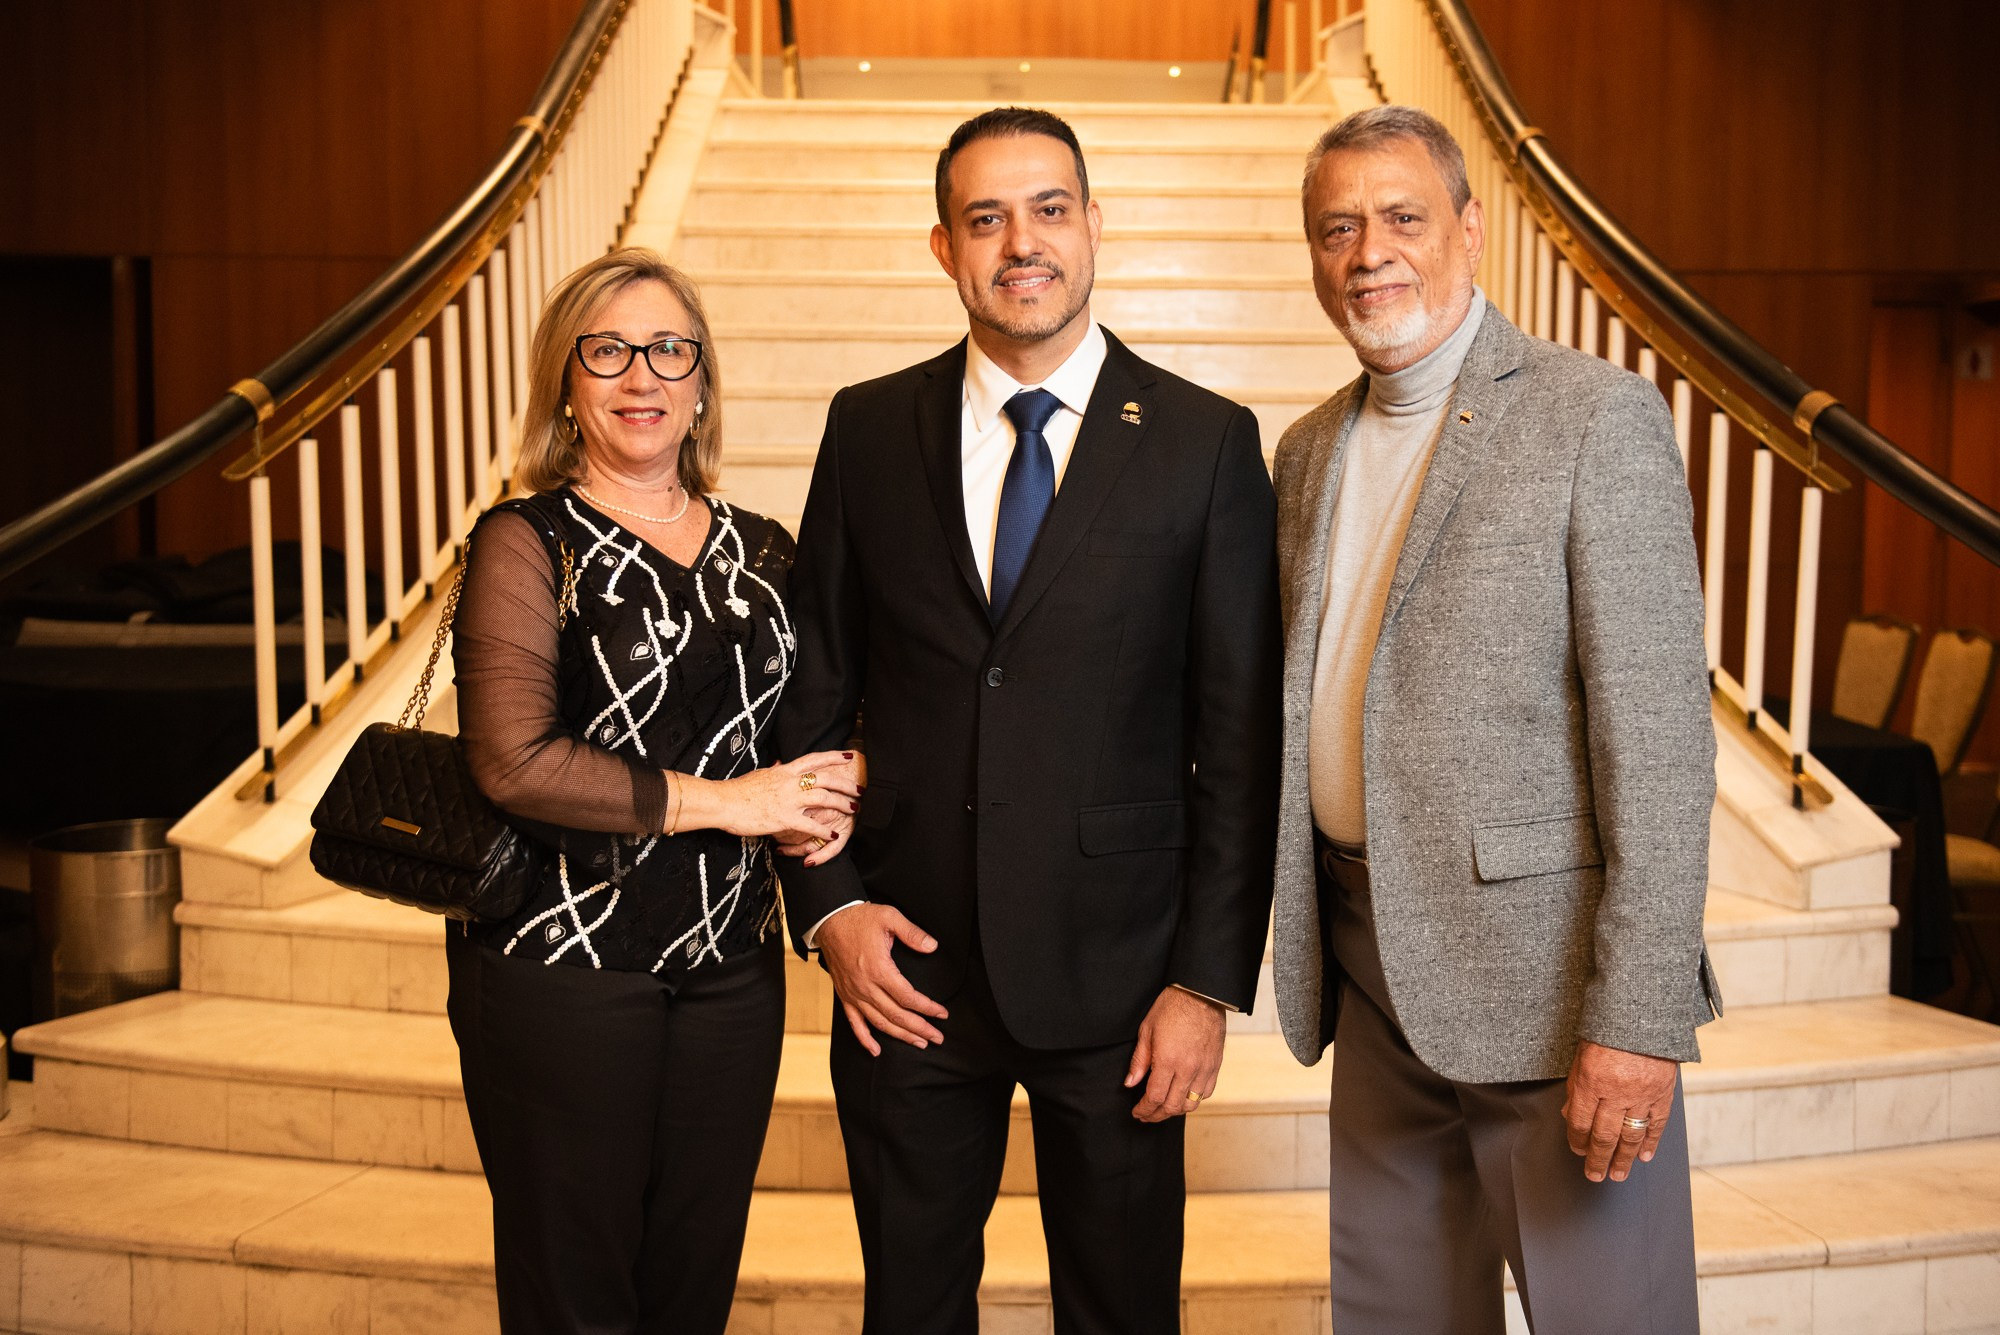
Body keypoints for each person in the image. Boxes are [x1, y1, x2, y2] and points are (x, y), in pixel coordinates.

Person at [776, 107, 1281, 1335]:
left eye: (1048, 209)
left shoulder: (1205, 444)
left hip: (1119, 980)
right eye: (985, 217)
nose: (1021, 243)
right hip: (905, 967)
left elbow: (1239, 743)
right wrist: (831, 908)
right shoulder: (864, 427)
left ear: (1093, 227)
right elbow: (810, 693)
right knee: (909, 1304)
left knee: (1119, 1309)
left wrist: (1204, 985)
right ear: (942, 248)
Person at [1270, 106, 1720, 1334]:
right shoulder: (1304, 452)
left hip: (1547, 993)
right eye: (1336, 229)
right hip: (1367, 979)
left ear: (1469, 232)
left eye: (1402, 218)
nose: (1369, 252)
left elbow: (1662, 745)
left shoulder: (1592, 418)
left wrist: (1634, 1021)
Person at [448, 246, 860, 1334]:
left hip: (729, 971)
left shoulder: (761, 551)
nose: (642, 376)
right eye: (610, 351)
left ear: (702, 383)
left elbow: (820, 713)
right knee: (576, 1293)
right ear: (568, 384)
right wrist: (736, 803)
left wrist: (848, 765)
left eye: (669, 350)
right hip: (561, 970)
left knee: (692, 1280)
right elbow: (513, 760)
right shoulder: (528, 543)